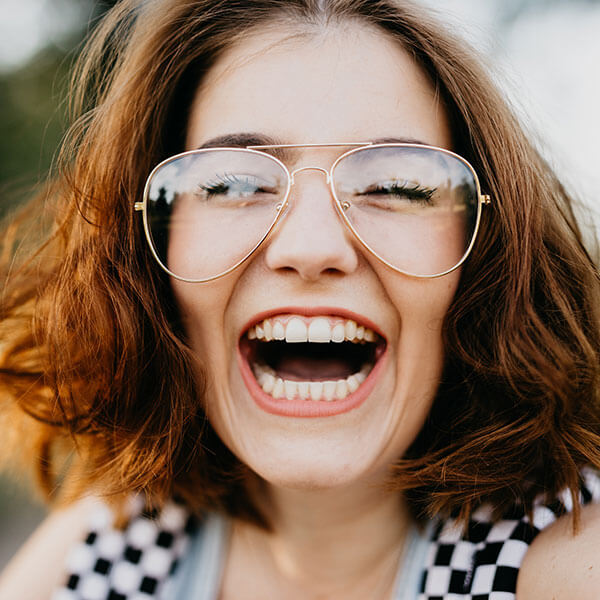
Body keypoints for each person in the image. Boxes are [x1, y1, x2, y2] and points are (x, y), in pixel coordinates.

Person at [1, 0, 599, 598]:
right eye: (232, 182)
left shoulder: (565, 567)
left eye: (397, 185)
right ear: (148, 248)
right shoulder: (107, 549)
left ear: (487, 251)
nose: (312, 246)